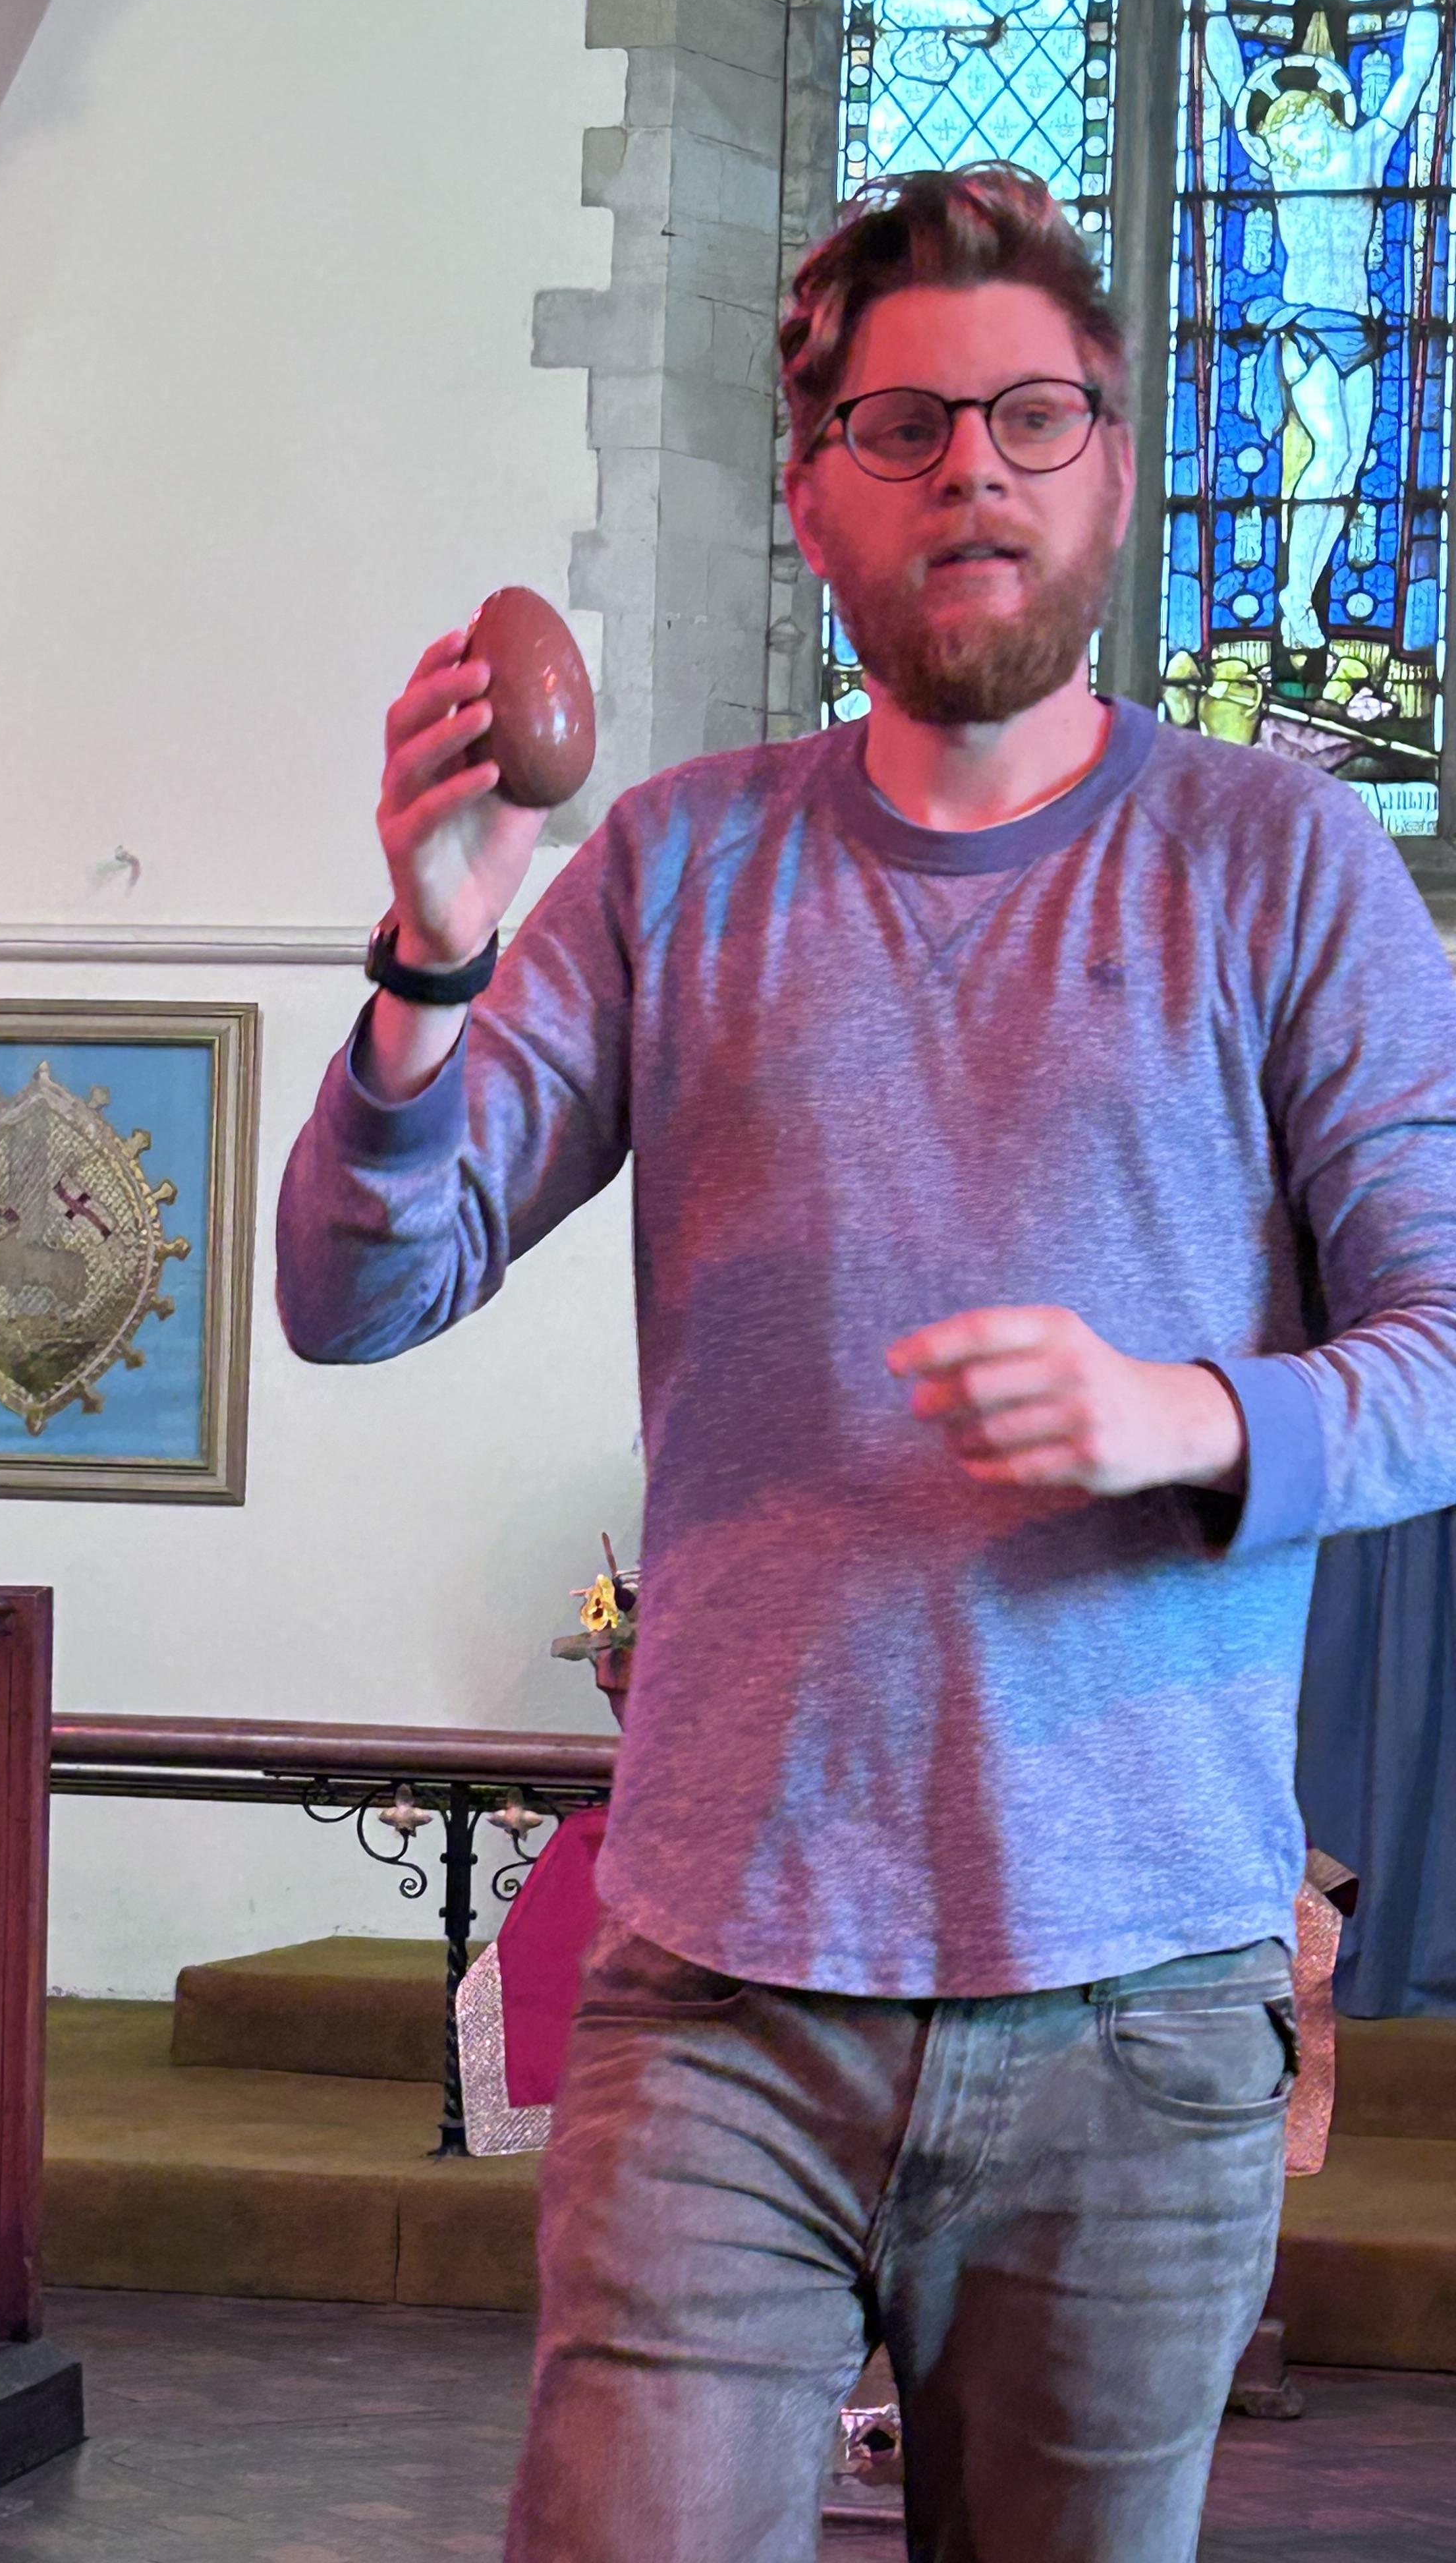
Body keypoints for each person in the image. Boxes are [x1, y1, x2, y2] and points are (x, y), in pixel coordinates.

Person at [275, 165, 1456, 2561]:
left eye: (1033, 416)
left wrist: (1185, 1415)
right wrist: (428, 961)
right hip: (724, 1991)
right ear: (808, 492)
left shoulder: (1277, 859)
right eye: (901, 426)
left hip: (1135, 1999)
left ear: (1111, 467)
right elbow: (354, 1290)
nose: (972, 472)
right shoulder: (674, 867)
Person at [1191, 0, 1450, 655]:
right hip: (1307, 329)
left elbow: (1414, 74)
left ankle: (1300, 591)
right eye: (1278, 136)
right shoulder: (1286, 169)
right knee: (1329, 448)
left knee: (1346, 468)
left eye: (1292, 128)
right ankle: (1291, 599)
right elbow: (1229, 79)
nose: (1284, 142)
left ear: (1317, 114)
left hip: (1359, 331)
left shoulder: (1364, 149)